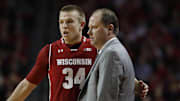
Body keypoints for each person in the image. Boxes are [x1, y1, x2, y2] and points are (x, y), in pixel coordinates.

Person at [7, 5, 148, 101]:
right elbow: (27, 85)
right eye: (61, 22)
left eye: (69, 22)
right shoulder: (49, 51)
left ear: (81, 25)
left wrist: (136, 85)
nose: (64, 26)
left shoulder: (97, 49)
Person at [78, 8, 136, 101]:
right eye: (89, 28)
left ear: (109, 29)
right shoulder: (112, 51)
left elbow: (106, 98)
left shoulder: (111, 54)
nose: (89, 32)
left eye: (94, 27)